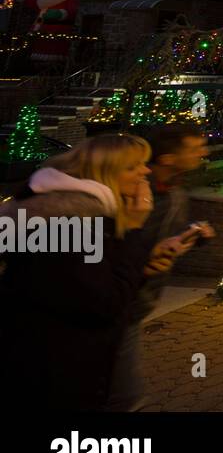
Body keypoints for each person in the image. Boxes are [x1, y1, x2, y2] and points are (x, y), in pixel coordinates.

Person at [0, 134, 178, 410]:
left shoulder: (84, 218)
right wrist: (133, 231)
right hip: (52, 371)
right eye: (132, 167)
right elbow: (105, 304)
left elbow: (92, 285)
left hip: (62, 363)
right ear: (103, 174)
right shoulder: (70, 224)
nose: (145, 171)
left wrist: (141, 266)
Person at [107, 123, 214, 410]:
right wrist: (144, 261)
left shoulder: (174, 191)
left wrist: (192, 235)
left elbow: (165, 238)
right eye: (194, 148)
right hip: (117, 305)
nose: (203, 153)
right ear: (167, 158)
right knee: (126, 397)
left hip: (137, 302)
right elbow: (112, 247)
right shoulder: (136, 196)